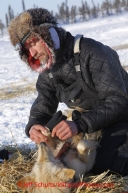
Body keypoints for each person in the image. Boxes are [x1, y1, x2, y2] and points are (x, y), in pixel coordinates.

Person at [8, 8, 128, 176]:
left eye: (33, 42)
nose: (32, 53)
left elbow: (119, 101)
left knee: (105, 171)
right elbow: (43, 104)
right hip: (90, 123)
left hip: (121, 117)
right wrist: (34, 125)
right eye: (27, 49)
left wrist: (79, 124)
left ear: (48, 34)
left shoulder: (92, 52)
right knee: (63, 164)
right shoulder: (48, 68)